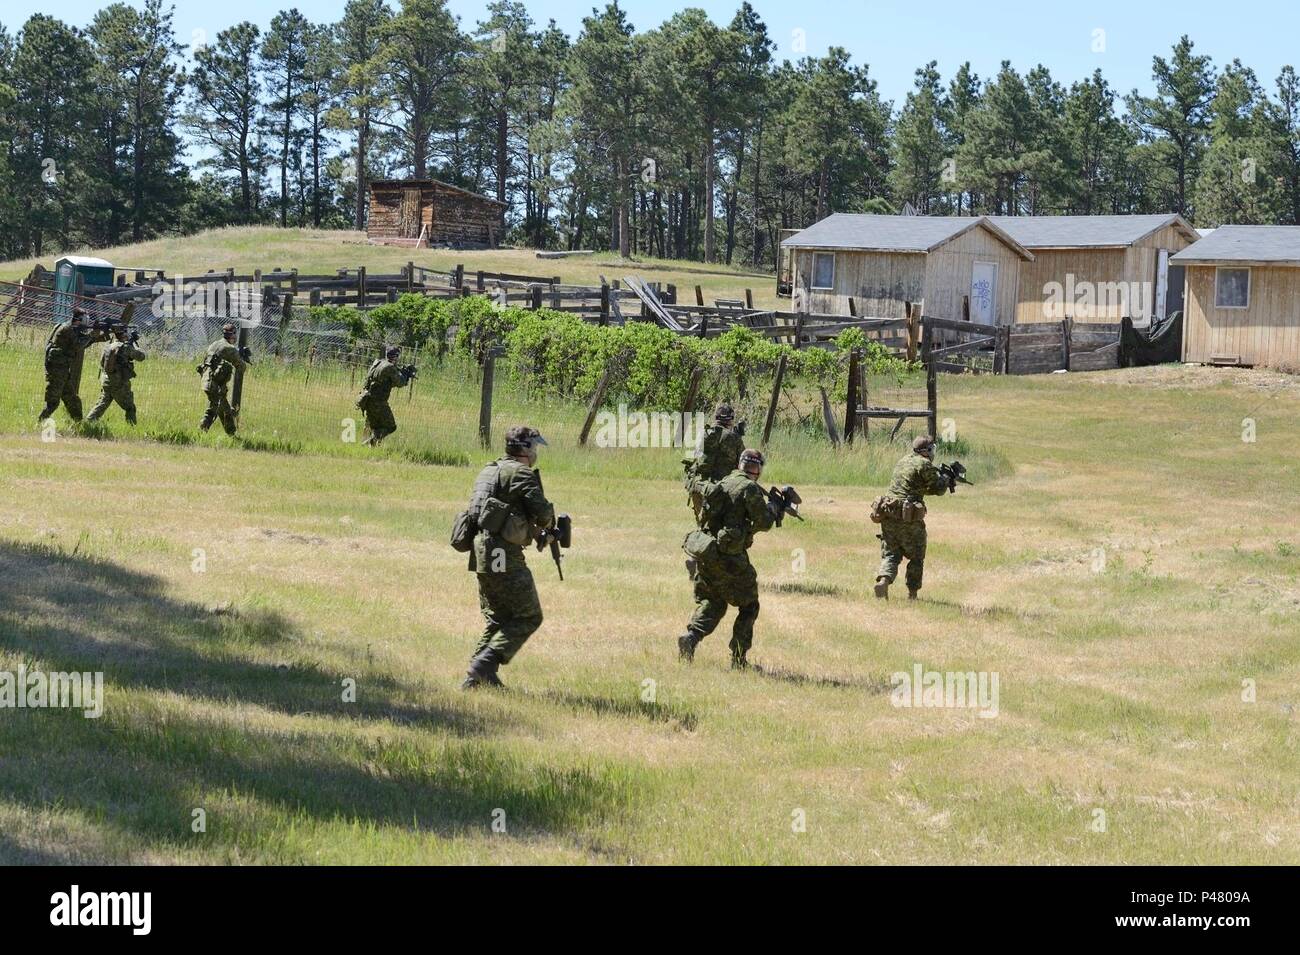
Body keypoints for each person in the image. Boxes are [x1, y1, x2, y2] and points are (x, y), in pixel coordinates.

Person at [461, 426, 556, 690]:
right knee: (528, 616)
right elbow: (543, 511)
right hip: (502, 554)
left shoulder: (488, 470)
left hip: (480, 552)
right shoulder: (521, 473)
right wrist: (547, 524)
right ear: (525, 449)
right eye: (534, 447)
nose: (536, 453)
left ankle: (476, 678)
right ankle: (485, 663)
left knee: (499, 618)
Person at [678, 447, 777, 670]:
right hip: (731, 558)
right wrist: (773, 509)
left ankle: (691, 638)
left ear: (739, 463)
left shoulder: (723, 482)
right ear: (758, 469)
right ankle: (739, 659)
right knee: (749, 606)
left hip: (707, 553)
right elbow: (764, 522)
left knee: (714, 602)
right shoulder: (749, 488)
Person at [873, 434, 951, 600]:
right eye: (932, 450)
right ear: (927, 451)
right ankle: (912, 594)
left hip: (887, 512)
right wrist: (946, 479)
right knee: (916, 555)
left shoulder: (903, 460)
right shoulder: (924, 464)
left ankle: (884, 582)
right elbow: (938, 489)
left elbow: (917, 487)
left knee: (891, 554)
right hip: (907, 516)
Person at [38, 309, 109, 423]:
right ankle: (40, 422)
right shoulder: (67, 329)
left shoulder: (70, 327)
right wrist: (92, 335)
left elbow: (80, 342)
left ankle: (78, 424)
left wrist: (97, 336)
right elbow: (78, 346)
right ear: (79, 320)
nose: (87, 322)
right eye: (86, 319)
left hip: (62, 369)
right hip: (57, 369)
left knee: (73, 400)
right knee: (53, 403)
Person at [682, 402, 745, 526]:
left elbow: (697, 457)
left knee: (702, 526)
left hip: (698, 485)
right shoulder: (734, 438)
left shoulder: (703, 434)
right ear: (730, 419)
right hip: (719, 490)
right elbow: (742, 464)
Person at [87, 326, 147, 425]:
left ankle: (88, 422)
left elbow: (102, 363)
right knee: (130, 407)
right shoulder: (126, 347)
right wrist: (135, 345)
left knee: (102, 404)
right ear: (123, 334)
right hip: (119, 383)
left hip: (106, 381)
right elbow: (141, 357)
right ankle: (131, 428)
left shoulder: (108, 346)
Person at [356, 346, 414, 446]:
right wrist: (407, 375)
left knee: (373, 426)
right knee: (390, 427)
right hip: (378, 402)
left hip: (367, 399)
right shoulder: (390, 367)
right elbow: (400, 383)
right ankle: (368, 442)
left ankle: (368, 447)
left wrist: (401, 372)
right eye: (398, 357)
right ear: (395, 357)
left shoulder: (378, 363)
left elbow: (387, 381)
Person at [198, 323, 247, 435]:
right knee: (219, 410)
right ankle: (203, 429)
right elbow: (241, 367)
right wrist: (242, 357)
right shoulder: (230, 348)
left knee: (222, 408)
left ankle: (230, 435)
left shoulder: (214, 344)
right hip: (214, 384)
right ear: (233, 335)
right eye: (235, 334)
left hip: (206, 381)